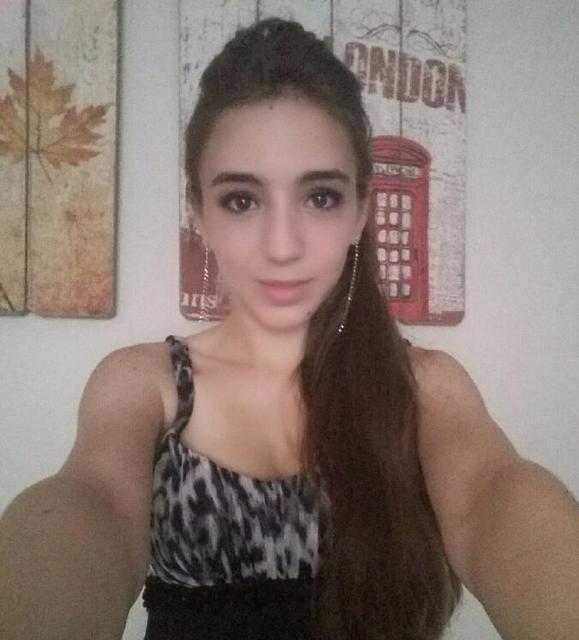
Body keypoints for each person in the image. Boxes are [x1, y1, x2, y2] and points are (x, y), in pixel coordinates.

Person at [1, 17, 578, 640]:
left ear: (360, 211)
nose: (282, 246)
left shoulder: (425, 388)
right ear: (200, 214)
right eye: (241, 200)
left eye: (321, 197)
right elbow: (91, 506)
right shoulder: (145, 386)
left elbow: (493, 498)